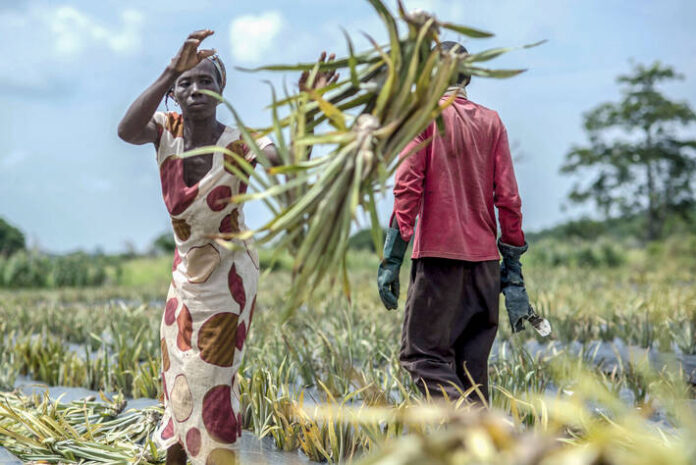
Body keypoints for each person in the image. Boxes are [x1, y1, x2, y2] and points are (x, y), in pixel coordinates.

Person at [118, 30, 336, 465]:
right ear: (174, 92)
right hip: (184, 277)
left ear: (221, 92)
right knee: (176, 377)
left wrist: (308, 113)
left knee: (212, 378)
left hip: (229, 278)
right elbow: (125, 130)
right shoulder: (166, 131)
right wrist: (168, 71)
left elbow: (288, 164)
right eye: (186, 82)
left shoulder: (242, 140)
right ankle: (178, 454)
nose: (195, 90)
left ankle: (218, 455)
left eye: (206, 82)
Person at [377, 41, 530, 403]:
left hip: (439, 263)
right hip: (485, 269)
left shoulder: (422, 119)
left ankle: (475, 427)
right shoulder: (491, 121)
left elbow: (406, 191)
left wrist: (392, 260)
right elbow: (508, 200)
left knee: (423, 358)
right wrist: (513, 269)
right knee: (471, 374)